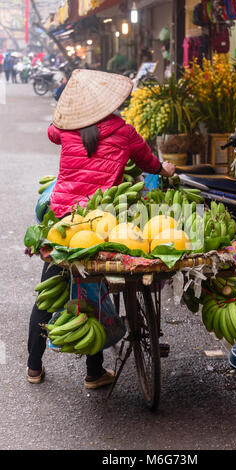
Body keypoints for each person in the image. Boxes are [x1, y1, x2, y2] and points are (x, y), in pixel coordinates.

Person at [27, 69, 176, 386]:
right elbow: (150, 164)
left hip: (65, 221)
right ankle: (93, 373)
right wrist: (166, 169)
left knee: (49, 290)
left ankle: (33, 367)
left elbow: (53, 130)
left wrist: (70, 114)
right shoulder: (124, 132)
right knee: (93, 286)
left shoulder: (67, 131)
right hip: (102, 222)